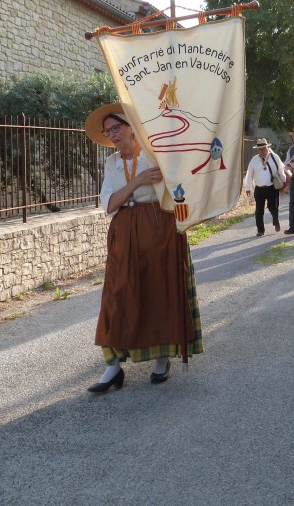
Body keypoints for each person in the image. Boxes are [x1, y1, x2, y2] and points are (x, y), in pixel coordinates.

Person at [84, 103, 202, 393]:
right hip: (124, 231)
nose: (112, 135)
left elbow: (180, 186)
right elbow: (110, 204)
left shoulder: (154, 154)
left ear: (131, 127)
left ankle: (161, 358)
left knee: (158, 289)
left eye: (116, 128)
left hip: (159, 227)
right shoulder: (112, 163)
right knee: (117, 293)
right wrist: (137, 181)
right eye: (108, 131)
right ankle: (113, 366)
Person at [244, 138, 284, 236]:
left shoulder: (275, 157)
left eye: (264, 148)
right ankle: (260, 230)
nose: (263, 151)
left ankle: (276, 221)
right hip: (259, 188)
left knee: (274, 208)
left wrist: (283, 183)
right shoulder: (254, 160)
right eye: (260, 149)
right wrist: (248, 187)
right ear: (258, 150)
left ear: (268, 147)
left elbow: (281, 170)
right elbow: (249, 174)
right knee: (259, 211)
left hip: (272, 188)